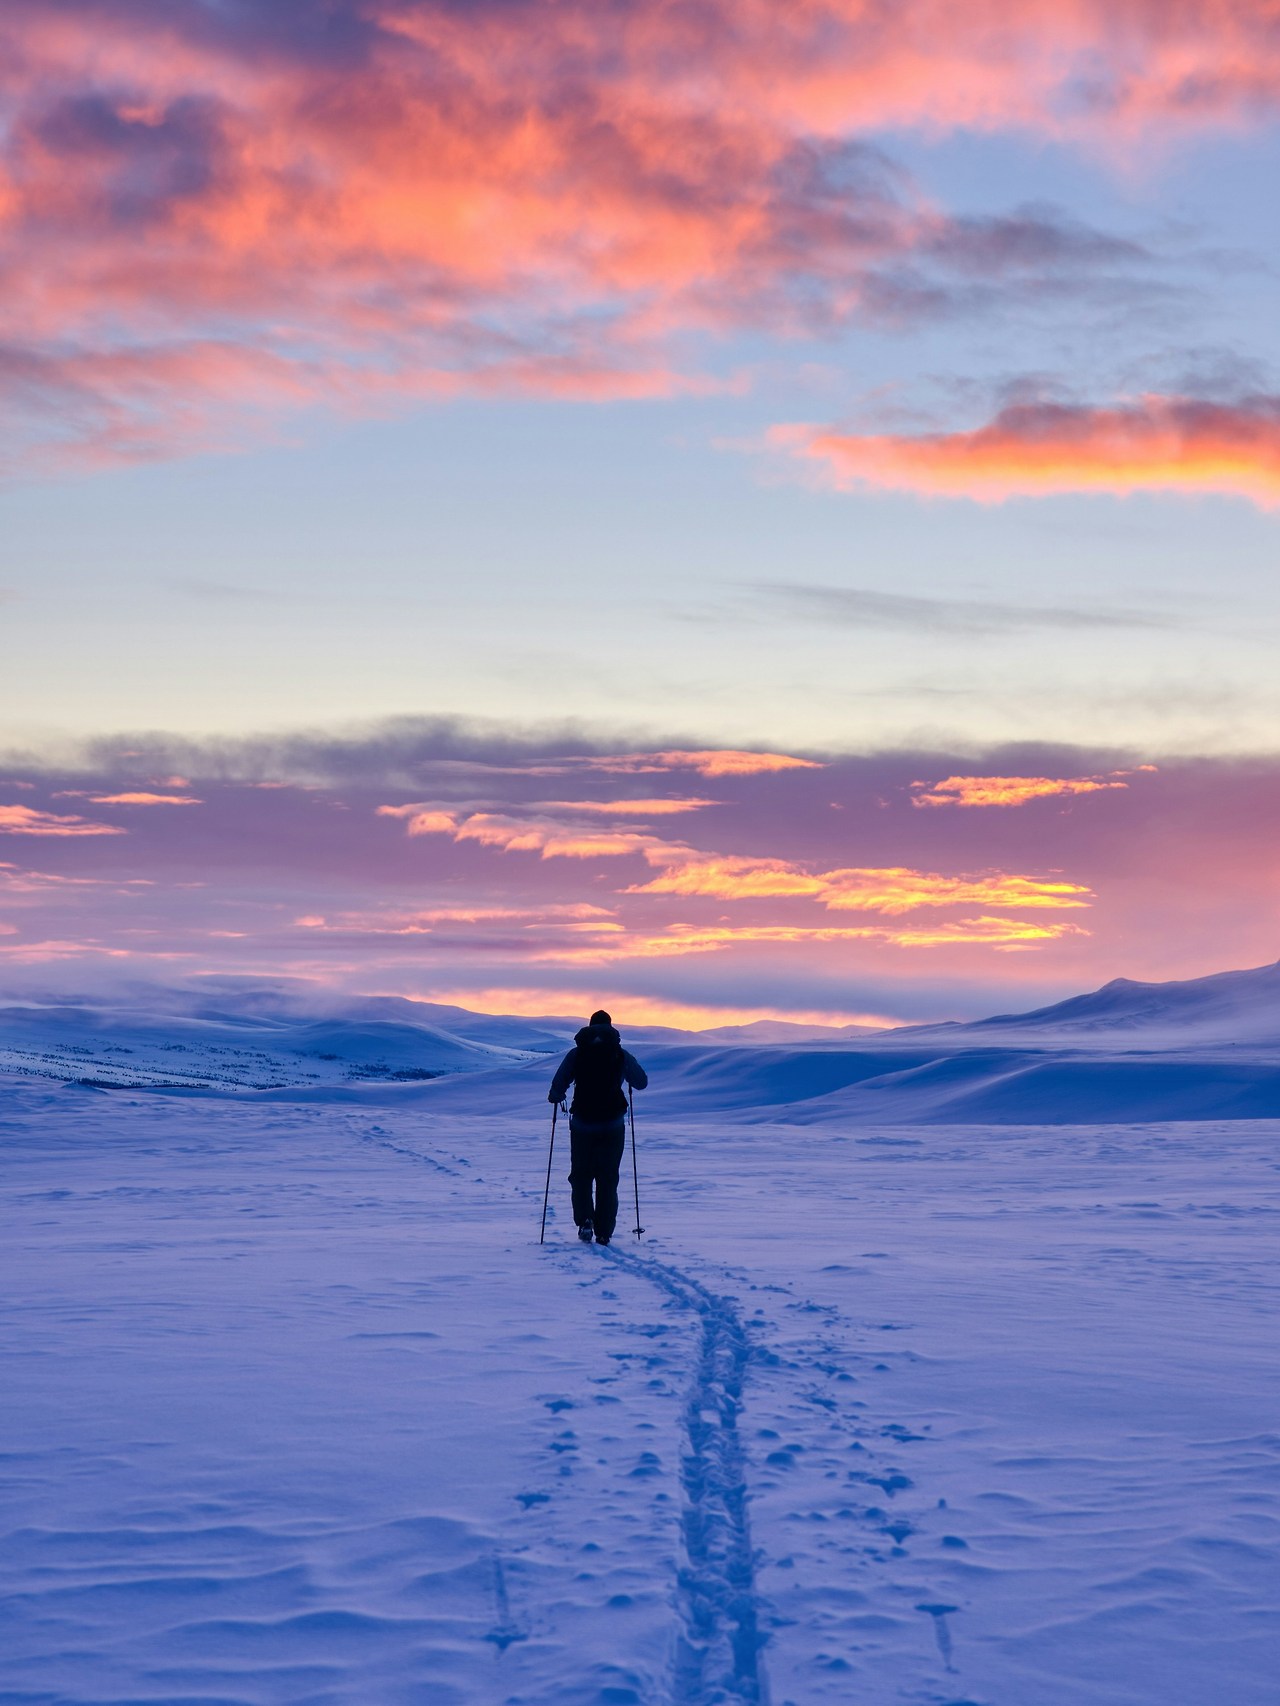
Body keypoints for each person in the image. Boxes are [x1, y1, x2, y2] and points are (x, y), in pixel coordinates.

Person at [547, 1010, 648, 1245]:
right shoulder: (619, 1054)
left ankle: (585, 1221)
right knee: (608, 1178)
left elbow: (558, 1085)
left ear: (589, 1027)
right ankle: (604, 1231)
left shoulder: (577, 1053)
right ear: (611, 1028)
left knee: (581, 1176)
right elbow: (641, 1082)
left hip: (582, 1123)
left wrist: (556, 1096)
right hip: (613, 1125)